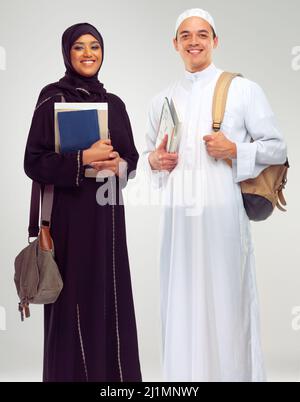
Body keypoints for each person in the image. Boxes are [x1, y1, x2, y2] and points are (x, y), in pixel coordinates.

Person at [141, 9, 287, 382]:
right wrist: (155, 161)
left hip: (224, 219)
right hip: (178, 225)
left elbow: (277, 148)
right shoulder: (162, 100)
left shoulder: (241, 89)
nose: (194, 41)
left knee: (227, 303)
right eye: (186, 35)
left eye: (202, 34)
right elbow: (147, 160)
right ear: (175, 44)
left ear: (215, 41)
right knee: (182, 305)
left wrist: (235, 149)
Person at [24, 23, 141, 382]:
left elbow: (131, 160)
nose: (89, 54)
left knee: (110, 298)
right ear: (67, 53)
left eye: (95, 46)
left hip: (106, 219)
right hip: (68, 219)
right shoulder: (52, 98)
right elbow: (33, 161)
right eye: (79, 47)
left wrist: (117, 163)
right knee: (72, 302)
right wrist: (83, 158)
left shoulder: (114, 104)